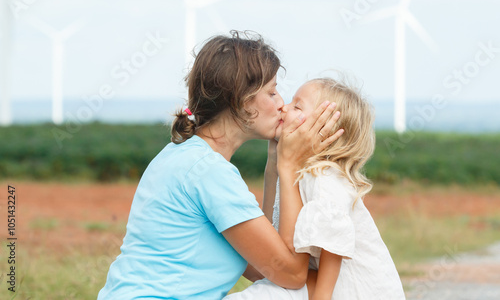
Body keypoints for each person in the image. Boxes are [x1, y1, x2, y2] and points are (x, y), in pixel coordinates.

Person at [97, 31, 343, 300]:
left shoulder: (185, 156)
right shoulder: (209, 172)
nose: (281, 103)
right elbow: (292, 275)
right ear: (242, 100)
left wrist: (274, 161)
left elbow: (264, 266)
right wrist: (289, 165)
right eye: (271, 92)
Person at [225, 78, 406, 300]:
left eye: (297, 106)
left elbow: (334, 242)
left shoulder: (325, 177)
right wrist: (275, 159)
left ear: (326, 131)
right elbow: (273, 231)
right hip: (315, 283)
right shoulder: (298, 171)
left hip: (350, 289)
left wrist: (322, 297)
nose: (284, 107)